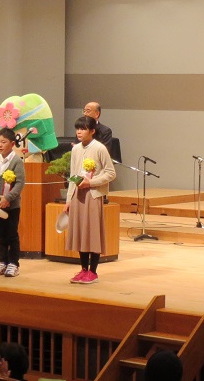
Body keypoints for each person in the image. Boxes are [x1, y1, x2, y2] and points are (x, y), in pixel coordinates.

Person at [65, 116, 116, 284]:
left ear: (92, 131)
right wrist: (69, 199)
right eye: (77, 128)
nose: (79, 132)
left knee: (92, 233)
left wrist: (91, 183)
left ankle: (93, 272)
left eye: (83, 129)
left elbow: (111, 173)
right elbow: (73, 173)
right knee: (81, 232)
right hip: (78, 195)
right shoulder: (76, 149)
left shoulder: (100, 148)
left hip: (93, 195)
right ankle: (83, 269)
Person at [0, 128, 25, 278]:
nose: (0, 145)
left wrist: (8, 198)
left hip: (11, 206)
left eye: (4, 142)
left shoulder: (16, 161)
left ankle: (13, 264)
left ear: (12, 144)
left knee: (11, 234)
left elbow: (20, 184)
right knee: (0, 234)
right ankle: (2, 262)